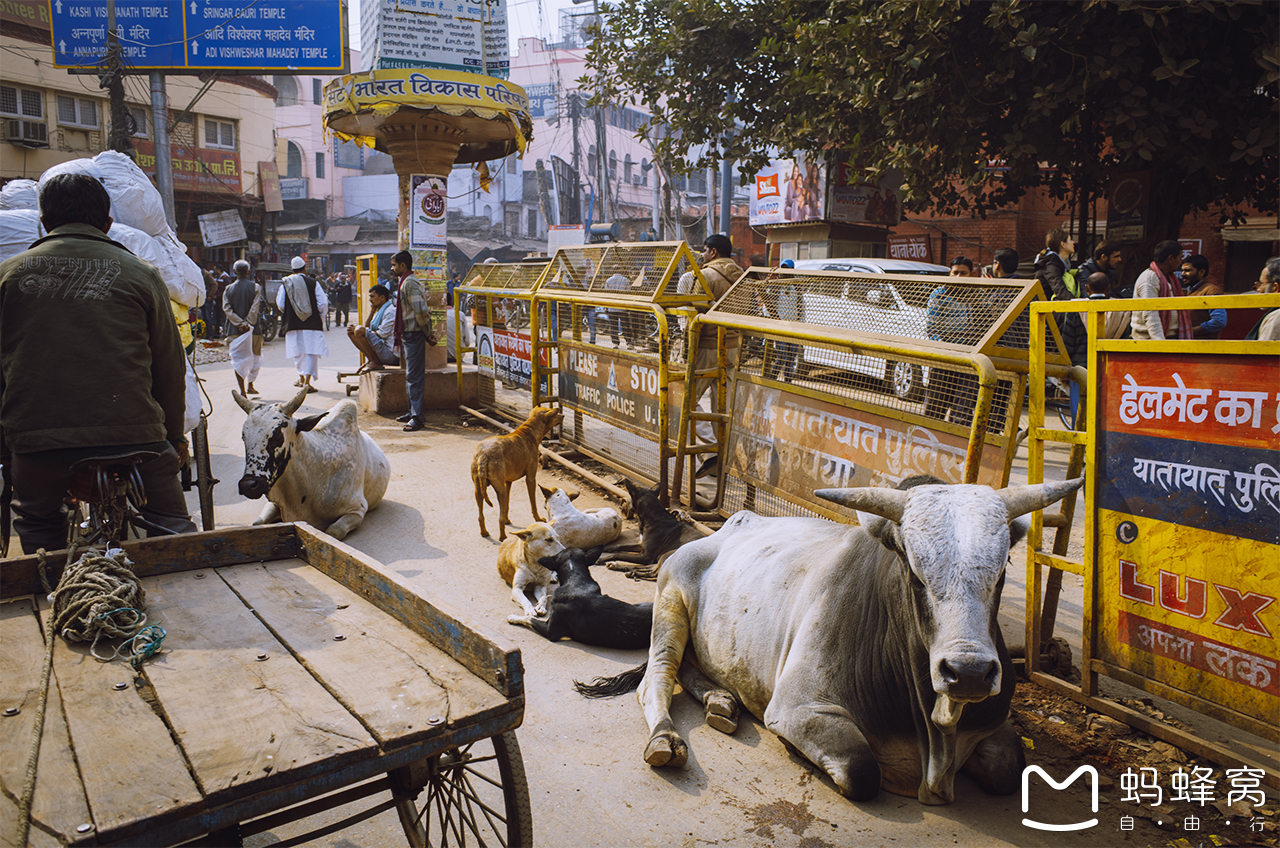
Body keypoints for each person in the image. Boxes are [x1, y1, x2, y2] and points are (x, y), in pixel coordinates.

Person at [0, 172, 197, 554]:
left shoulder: (7, 277)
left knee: (39, 522)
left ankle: (55, 593)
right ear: (108, 224)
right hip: (137, 435)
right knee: (172, 526)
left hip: (38, 440)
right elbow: (170, 368)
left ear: (43, 222)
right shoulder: (143, 274)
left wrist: (8, 448)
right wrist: (173, 439)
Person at [692, 233, 743, 478]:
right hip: (733, 347)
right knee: (722, 406)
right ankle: (721, 460)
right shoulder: (743, 277)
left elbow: (692, 313)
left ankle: (711, 452)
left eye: (704, 250)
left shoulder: (706, 275)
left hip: (707, 346)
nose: (702, 254)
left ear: (713, 252)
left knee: (687, 401)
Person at [392, 250, 435, 432]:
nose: (392, 268)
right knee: (411, 375)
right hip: (409, 334)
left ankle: (417, 417)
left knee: (414, 377)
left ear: (403, 266)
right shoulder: (405, 282)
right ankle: (412, 412)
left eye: (394, 265)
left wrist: (427, 333)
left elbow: (420, 311)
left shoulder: (410, 283)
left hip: (415, 333)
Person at [277, 256, 329, 393]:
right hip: (312, 324)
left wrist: (291, 313)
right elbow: (323, 303)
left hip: (293, 323)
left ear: (292, 270)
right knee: (311, 352)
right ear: (305, 268)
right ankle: (307, 382)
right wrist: (320, 317)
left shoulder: (285, 283)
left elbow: (281, 304)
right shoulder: (313, 283)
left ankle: (301, 379)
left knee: (297, 352)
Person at [1130, 240, 1191, 340]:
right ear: (1171, 258)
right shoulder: (1149, 278)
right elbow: (1150, 314)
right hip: (1149, 339)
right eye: (1180, 258)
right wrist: (1160, 343)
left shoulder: (1170, 278)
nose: (1181, 262)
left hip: (1170, 337)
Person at [222, 259, 264, 396]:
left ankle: (242, 391)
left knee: (239, 360)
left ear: (234, 272)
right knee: (255, 357)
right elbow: (255, 308)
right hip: (253, 330)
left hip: (235, 330)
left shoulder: (228, 289)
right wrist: (248, 324)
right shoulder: (256, 287)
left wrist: (240, 323)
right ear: (248, 272)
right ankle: (251, 385)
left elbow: (227, 310)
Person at [348, 284, 399, 373]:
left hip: (390, 354)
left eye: (372, 297)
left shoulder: (390, 311)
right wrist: (372, 311)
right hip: (381, 349)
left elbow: (382, 334)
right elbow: (367, 327)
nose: (370, 300)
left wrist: (362, 330)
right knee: (351, 331)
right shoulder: (380, 310)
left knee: (359, 330)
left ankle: (375, 362)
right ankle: (372, 360)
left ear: (382, 297)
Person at [1180, 254, 1226, 340]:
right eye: (1182, 270)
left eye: (1187, 270)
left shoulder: (1211, 291)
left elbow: (1219, 321)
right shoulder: (1191, 291)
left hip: (1204, 347)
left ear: (1201, 272)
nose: (1183, 274)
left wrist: (1190, 331)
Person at [1034, 228, 1077, 301]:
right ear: (1063, 244)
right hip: (1045, 308)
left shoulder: (1058, 263)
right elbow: (1058, 288)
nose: (1073, 242)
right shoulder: (1050, 264)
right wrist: (1075, 303)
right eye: (1070, 240)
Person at [1246, 257, 1280, 340]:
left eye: (1261, 284)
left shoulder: (1276, 318)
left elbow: (1265, 350)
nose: (1258, 289)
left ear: (1275, 288)